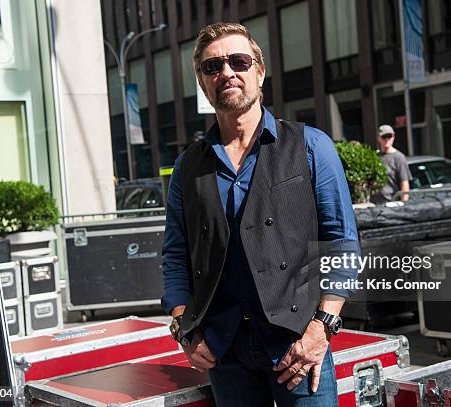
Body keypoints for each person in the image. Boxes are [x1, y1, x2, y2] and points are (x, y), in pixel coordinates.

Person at [161, 22, 359, 406]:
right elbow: (175, 254)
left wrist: (322, 328)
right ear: (202, 83)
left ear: (259, 71)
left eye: (239, 61)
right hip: (225, 351)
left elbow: (341, 243)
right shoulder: (188, 167)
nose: (227, 73)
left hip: (297, 346)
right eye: (212, 67)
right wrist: (185, 327)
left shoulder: (311, 146)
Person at [373, 124, 412, 202]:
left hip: (392, 202)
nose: (387, 139)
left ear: (393, 137)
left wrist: (403, 205)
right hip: (375, 203)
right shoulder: (375, 156)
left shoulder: (399, 157)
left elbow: (404, 184)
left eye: (389, 136)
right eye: (384, 137)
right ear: (379, 138)